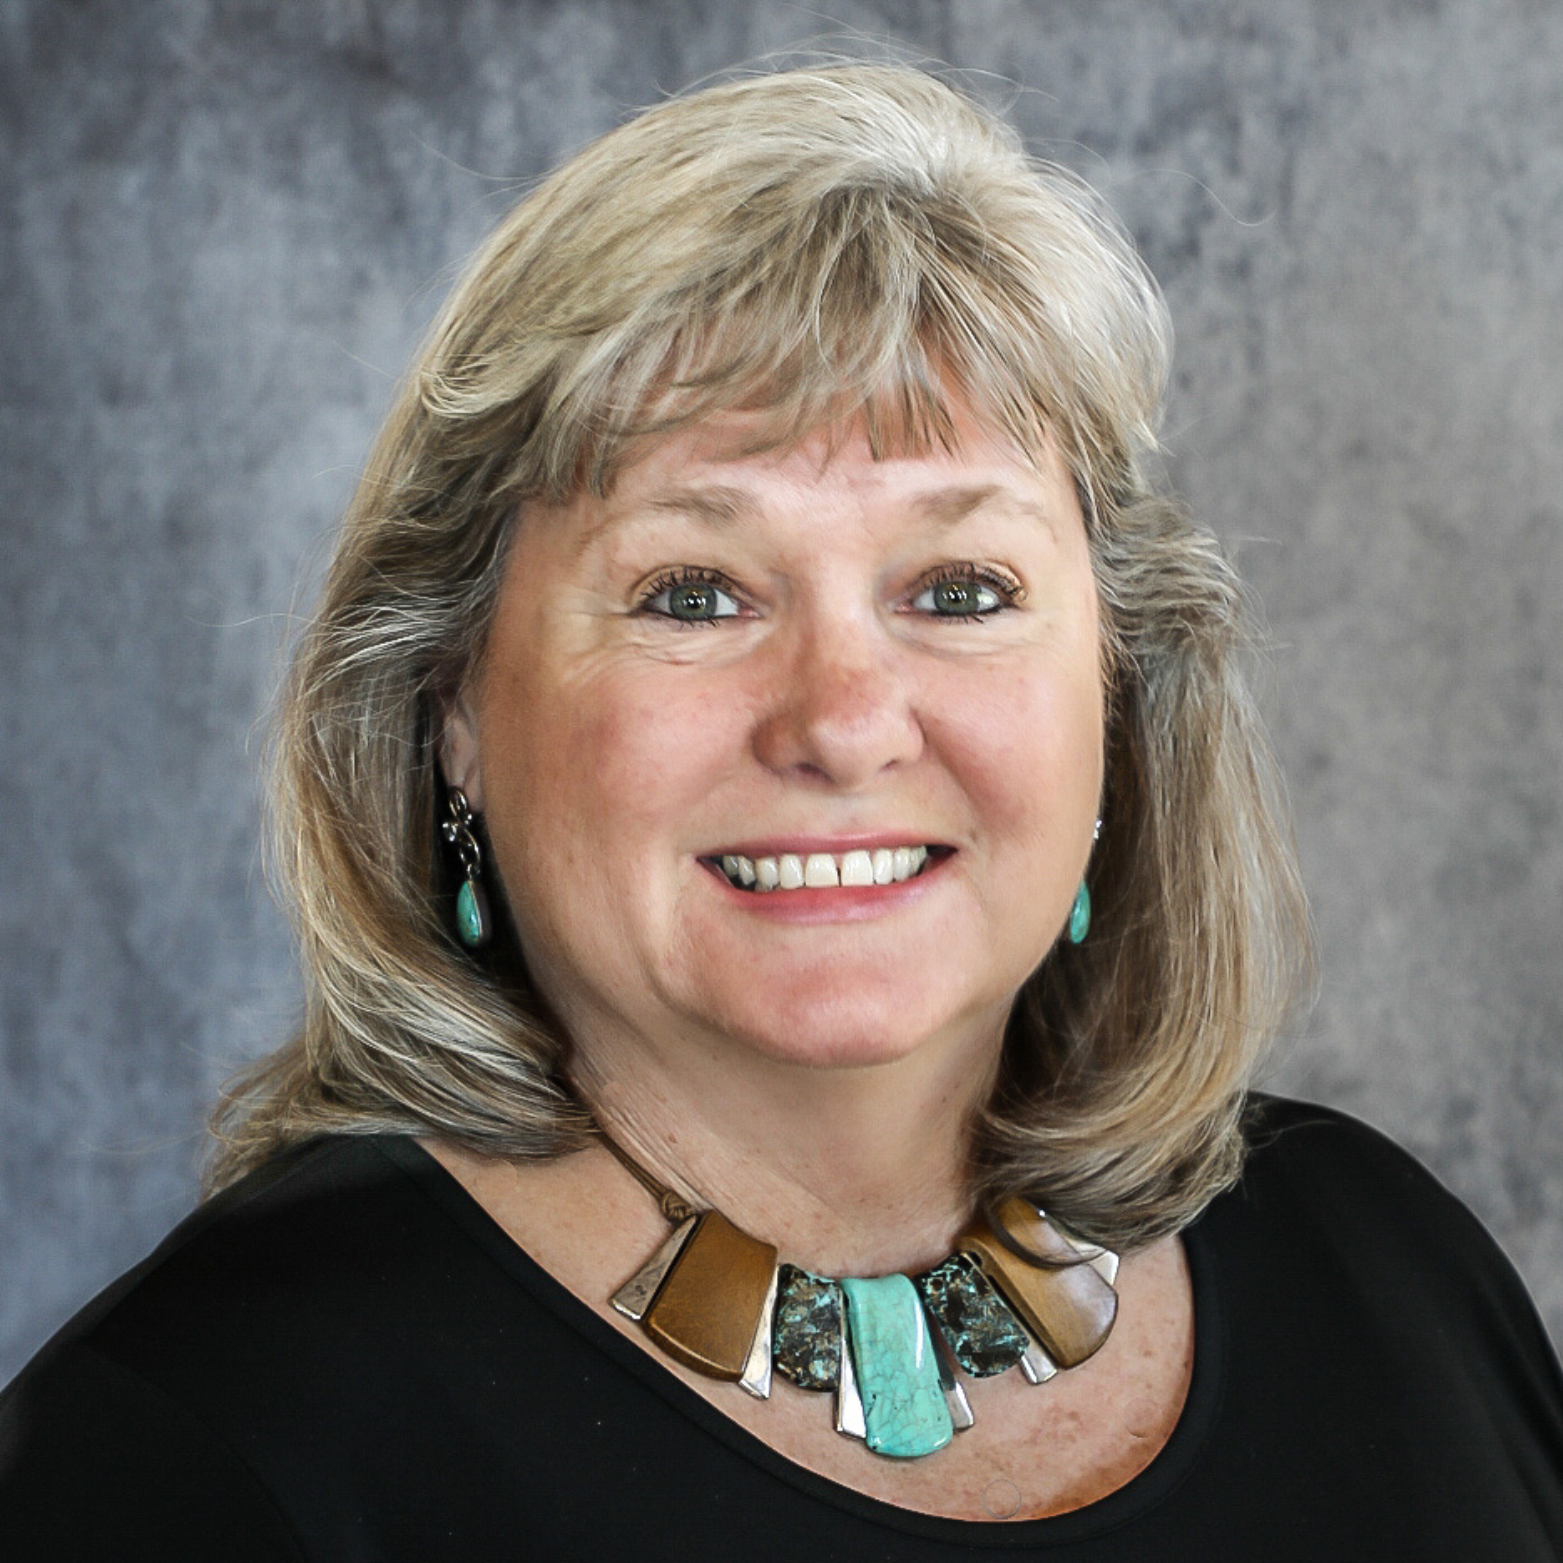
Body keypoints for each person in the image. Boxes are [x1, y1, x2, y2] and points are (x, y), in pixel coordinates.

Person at [2, 64, 1559, 1559]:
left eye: (958, 588)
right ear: (451, 710)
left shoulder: (1384, 1276)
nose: (842, 719)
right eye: (693, 591)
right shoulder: (191, 1445)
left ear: (1116, 691)